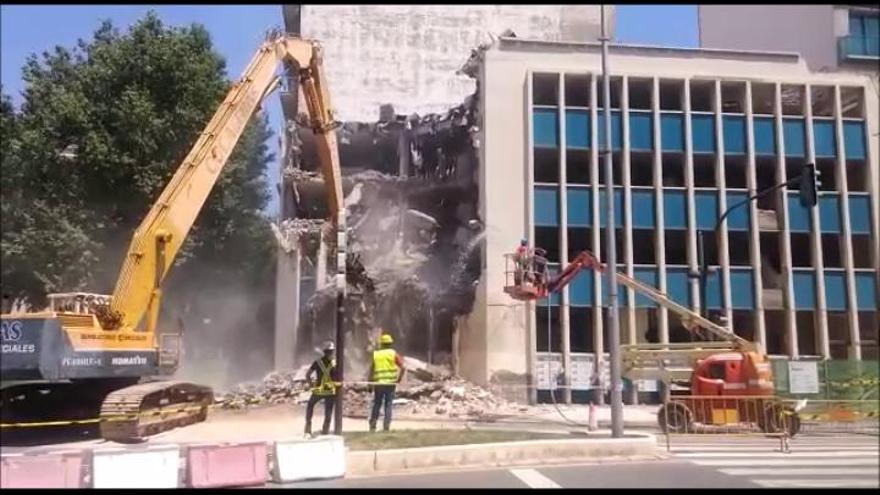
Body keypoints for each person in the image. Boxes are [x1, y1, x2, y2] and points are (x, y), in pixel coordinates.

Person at [367, 332, 405, 432]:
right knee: (388, 404)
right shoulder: (393, 354)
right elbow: (403, 367)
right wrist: (399, 379)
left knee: (377, 403)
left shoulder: (376, 354)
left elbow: (371, 370)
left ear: (381, 344)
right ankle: (386, 426)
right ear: (390, 343)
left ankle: (373, 425)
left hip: (378, 383)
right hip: (390, 383)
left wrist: (370, 384)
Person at [304, 340, 338, 437]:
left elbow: (307, 375)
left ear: (324, 351)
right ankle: (325, 431)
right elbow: (339, 378)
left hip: (319, 390)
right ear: (332, 352)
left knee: (310, 406)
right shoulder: (335, 363)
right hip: (331, 391)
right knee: (328, 411)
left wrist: (311, 385)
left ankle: (308, 429)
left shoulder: (317, 362)